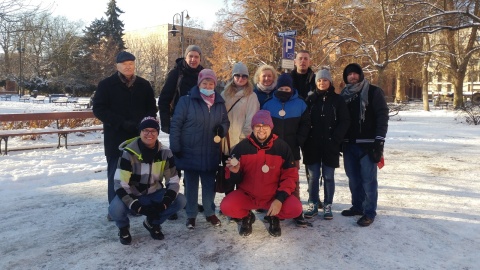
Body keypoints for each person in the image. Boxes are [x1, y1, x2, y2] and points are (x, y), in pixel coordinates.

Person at [93, 51, 157, 220]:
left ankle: (134, 206)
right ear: (117, 66)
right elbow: (99, 109)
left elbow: (151, 107)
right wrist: (120, 122)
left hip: (139, 137)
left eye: (131, 64)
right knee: (116, 174)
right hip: (116, 136)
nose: (128, 67)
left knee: (137, 174)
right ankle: (115, 211)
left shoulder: (143, 85)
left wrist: (144, 123)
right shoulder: (106, 85)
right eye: (125, 64)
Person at [220, 110, 303, 237]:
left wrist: (279, 199)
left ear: (271, 127)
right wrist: (235, 172)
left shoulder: (282, 147)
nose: (261, 129)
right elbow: (231, 179)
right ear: (252, 128)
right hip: (248, 195)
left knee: (295, 209)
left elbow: (290, 177)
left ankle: (273, 216)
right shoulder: (241, 147)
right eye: (258, 126)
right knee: (226, 207)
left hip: (273, 196)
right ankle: (247, 216)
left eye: (265, 126)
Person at [109, 117, 187, 245]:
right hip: (133, 194)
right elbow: (120, 184)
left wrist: (165, 203)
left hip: (154, 192)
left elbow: (173, 181)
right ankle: (123, 227)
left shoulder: (166, 153)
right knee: (115, 208)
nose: (149, 134)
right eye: (145, 130)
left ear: (157, 133)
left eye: (153, 131)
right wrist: (136, 206)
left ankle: (152, 223)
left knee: (181, 200)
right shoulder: (128, 153)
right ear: (140, 132)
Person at [169, 69, 230, 230]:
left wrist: (222, 129)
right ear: (199, 83)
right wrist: (175, 146)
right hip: (189, 151)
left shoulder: (219, 102)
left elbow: (225, 121)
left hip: (211, 151)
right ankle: (191, 214)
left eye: (211, 83)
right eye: (205, 83)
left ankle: (210, 212)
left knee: (209, 184)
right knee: (191, 184)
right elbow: (176, 124)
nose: (208, 86)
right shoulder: (186, 101)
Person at [340, 63, 389, 227]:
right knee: (353, 179)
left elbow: (382, 115)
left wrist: (379, 140)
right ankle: (357, 206)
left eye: (355, 73)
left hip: (368, 145)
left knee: (368, 180)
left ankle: (369, 212)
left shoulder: (373, 92)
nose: (352, 76)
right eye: (349, 74)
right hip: (349, 145)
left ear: (360, 75)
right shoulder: (343, 95)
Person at [262, 73, 310, 227]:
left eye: (287, 88)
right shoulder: (269, 104)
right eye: (281, 87)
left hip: (292, 150)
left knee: (293, 181)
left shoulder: (301, 104)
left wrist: (298, 141)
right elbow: (263, 125)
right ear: (277, 87)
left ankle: (297, 211)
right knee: (272, 181)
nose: (284, 90)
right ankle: (274, 211)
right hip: (273, 150)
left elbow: (306, 125)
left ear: (291, 88)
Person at [302, 69, 350, 220]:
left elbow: (345, 121)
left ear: (330, 82)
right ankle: (313, 203)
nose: (322, 83)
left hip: (331, 145)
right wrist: (305, 138)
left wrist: (336, 138)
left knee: (328, 176)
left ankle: (328, 204)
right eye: (319, 80)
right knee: (313, 176)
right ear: (316, 82)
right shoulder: (309, 99)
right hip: (312, 144)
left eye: (325, 80)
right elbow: (304, 121)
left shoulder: (337, 100)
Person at [220, 62, 260, 193]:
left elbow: (251, 119)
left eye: (244, 76)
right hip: (226, 140)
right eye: (237, 75)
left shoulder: (251, 96)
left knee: (242, 174)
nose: (241, 78)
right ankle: (229, 202)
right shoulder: (224, 94)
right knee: (229, 174)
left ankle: (242, 205)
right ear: (233, 76)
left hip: (242, 141)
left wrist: (244, 139)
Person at [158, 45, 204, 134]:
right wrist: (166, 123)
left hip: (199, 123)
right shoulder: (176, 74)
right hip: (179, 122)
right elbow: (164, 99)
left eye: (196, 57)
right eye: (190, 56)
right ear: (185, 57)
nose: (193, 59)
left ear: (200, 59)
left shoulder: (203, 75)